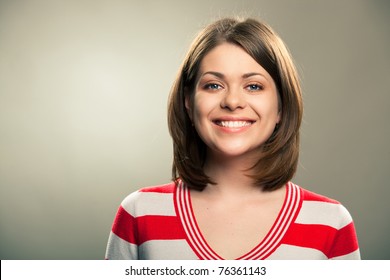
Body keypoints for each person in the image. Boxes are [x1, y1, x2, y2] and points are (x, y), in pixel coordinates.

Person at [105, 17, 360, 260]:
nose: (233, 102)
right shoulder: (139, 214)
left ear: (281, 106)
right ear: (188, 101)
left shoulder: (331, 223)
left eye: (254, 86)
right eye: (214, 85)